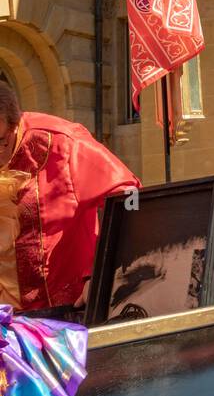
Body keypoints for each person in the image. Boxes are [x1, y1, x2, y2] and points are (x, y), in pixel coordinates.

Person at [0, 83, 140, 315]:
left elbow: (130, 197)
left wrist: (102, 273)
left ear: (15, 125)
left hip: (66, 316)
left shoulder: (63, 144)